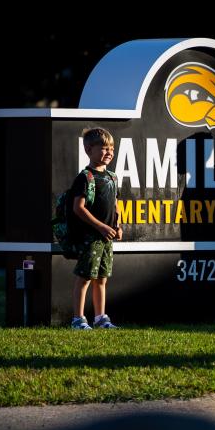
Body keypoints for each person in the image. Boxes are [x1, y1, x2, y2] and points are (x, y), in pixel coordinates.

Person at [70, 127, 122, 330]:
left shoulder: (112, 177)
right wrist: (100, 227)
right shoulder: (85, 177)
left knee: (102, 278)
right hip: (89, 237)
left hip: (106, 237)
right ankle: (78, 319)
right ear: (88, 149)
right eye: (103, 148)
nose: (108, 152)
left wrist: (117, 226)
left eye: (111, 148)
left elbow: (116, 204)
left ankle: (101, 318)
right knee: (85, 277)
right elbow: (78, 208)